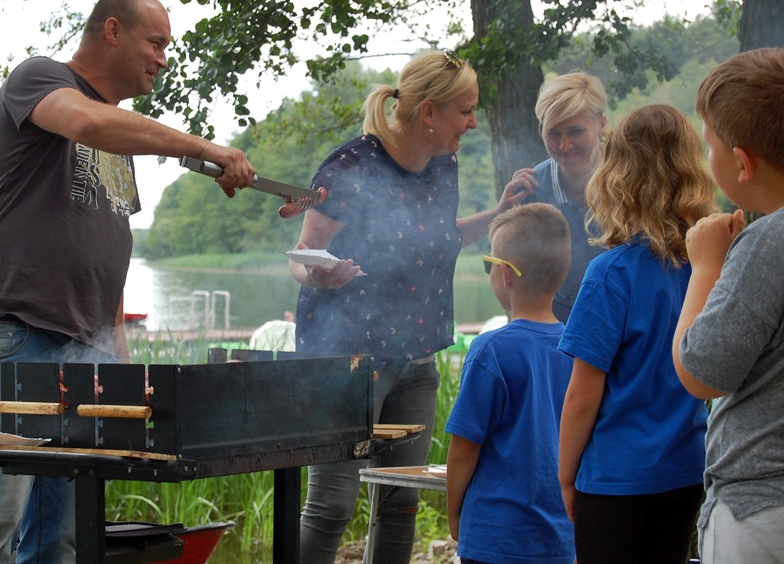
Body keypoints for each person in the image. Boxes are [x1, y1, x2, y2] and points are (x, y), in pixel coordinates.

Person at [0, 0, 256, 564]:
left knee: (62, 535)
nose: (164, 59)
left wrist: (115, 349)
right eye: (156, 42)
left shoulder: (119, 137)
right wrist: (202, 147)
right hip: (11, 334)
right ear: (112, 30)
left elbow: (108, 241)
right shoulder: (39, 79)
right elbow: (86, 122)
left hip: (82, 349)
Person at [288, 49, 529, 564]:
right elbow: (301, 258)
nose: (471, 121)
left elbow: (440, 237)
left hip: (417, 356)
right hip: (347, 361)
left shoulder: (444, 163)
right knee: (331, 504)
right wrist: (321, 276)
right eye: (465, 110)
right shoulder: (349, 165)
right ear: (429, 113)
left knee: (400, 503)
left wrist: (500, 213)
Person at [672, 48, 784, 563]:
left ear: (742, 162)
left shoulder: (771, 243)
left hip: (766, 513)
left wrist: (706, 266)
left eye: (710, 144)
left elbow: (702, 372)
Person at [557, 104, 715, 564]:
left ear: (616, 174)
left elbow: (581, 397)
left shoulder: (610, 274)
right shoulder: (710, 268)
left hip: (615, 478)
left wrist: (567, 476)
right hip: (687, 470)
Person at [445, 202, 575, 564]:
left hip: (496, 537)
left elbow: (463, 447)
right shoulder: (578, 350)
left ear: (505, 274)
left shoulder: (492, 350)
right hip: (561, 537)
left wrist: (454, 513)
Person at [503, 72, 608, 323]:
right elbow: (509, 274)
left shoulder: (630, 179)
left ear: (601, 123)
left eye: (575, 131)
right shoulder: (532, 190)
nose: (564, 145)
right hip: (557, 333)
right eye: (553, 134)